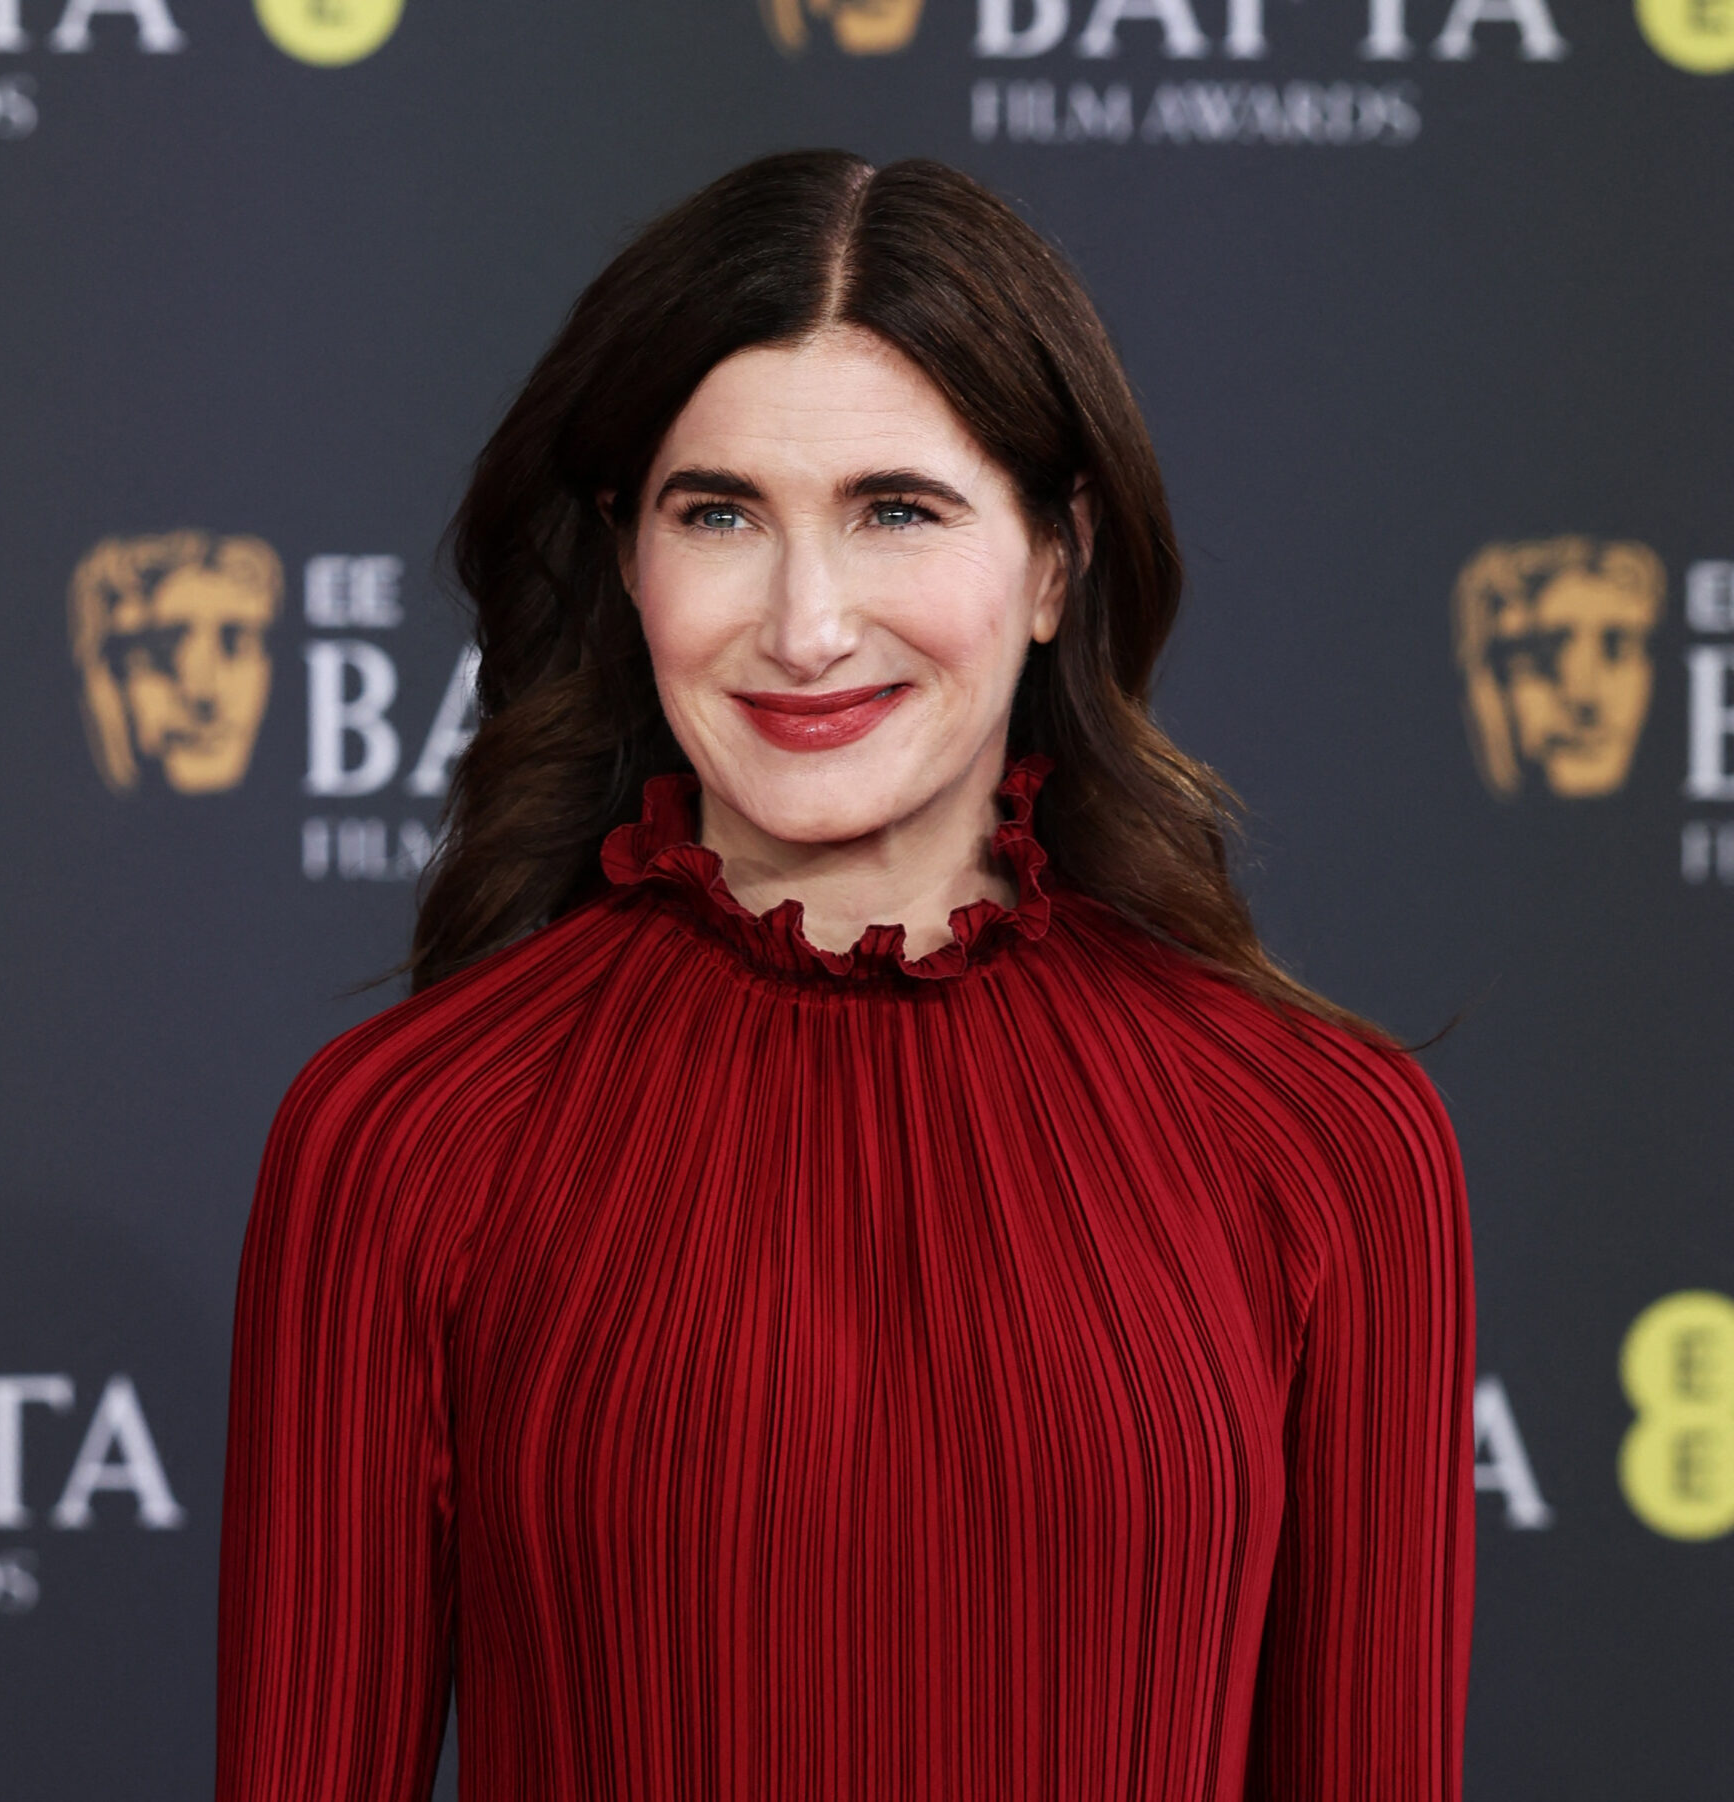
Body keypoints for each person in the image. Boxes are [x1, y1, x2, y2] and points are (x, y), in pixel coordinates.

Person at [217, 151, 1473, 1800]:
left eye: (896, 510)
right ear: (626, 560)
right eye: (720, 513)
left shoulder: (1331, 1143)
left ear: (1051, 560)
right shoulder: (402, 1142)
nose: (805, 626)